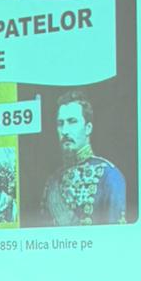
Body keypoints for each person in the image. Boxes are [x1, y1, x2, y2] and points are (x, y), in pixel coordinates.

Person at [42, 93, 126, 225]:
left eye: (72, 122)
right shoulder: (52, 183)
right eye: (60, 124)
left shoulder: (108, 176)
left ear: (88, 128)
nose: (65, 131)